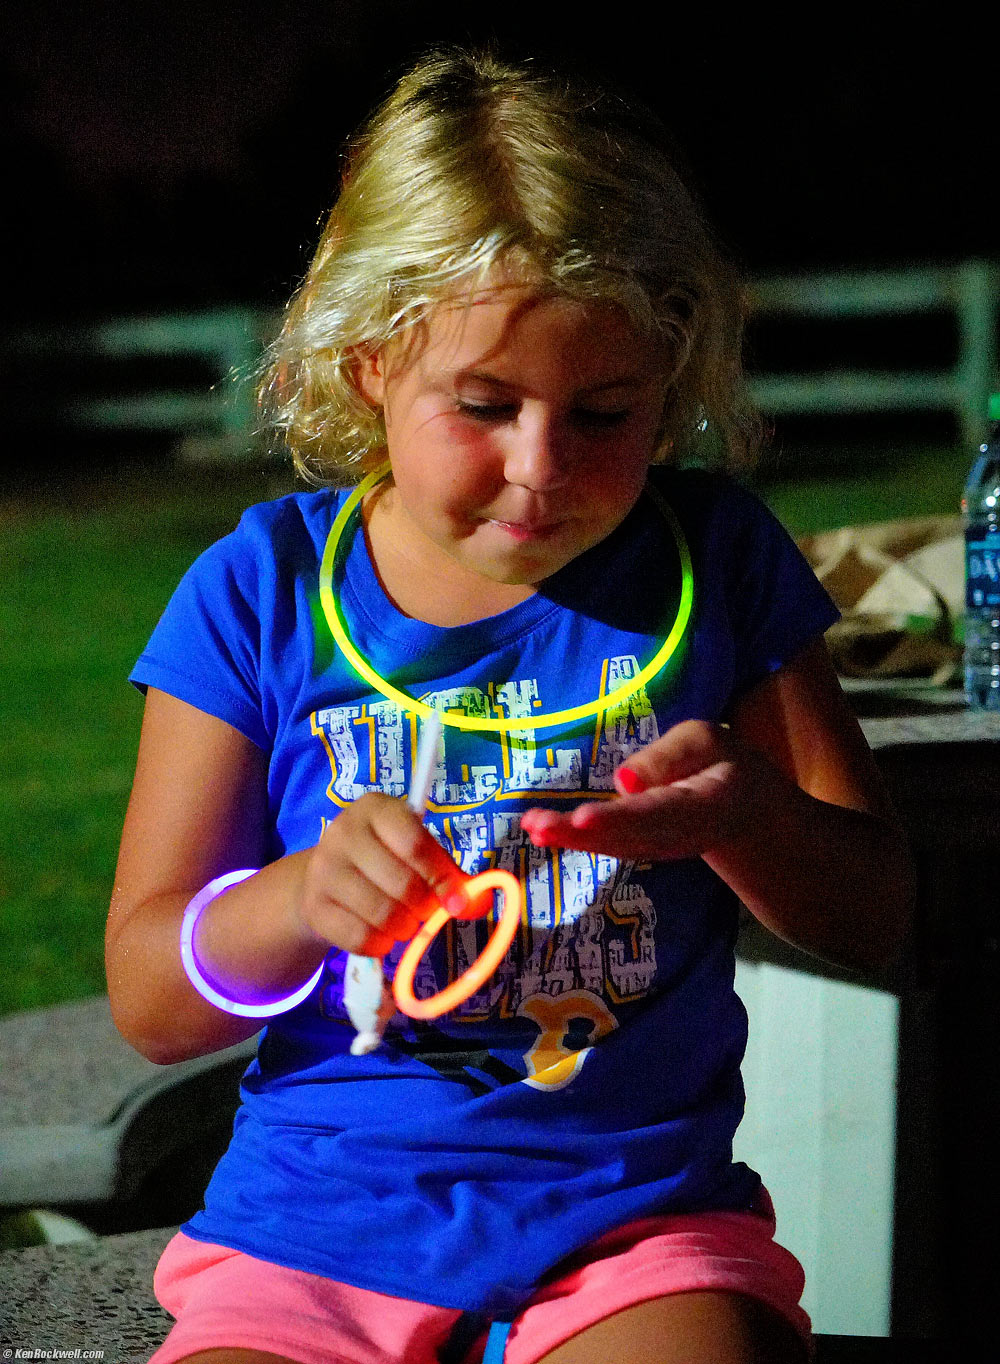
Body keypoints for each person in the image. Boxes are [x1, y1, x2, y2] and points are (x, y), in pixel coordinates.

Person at [106, 47, 914, 1364]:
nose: (542, 471)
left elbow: (877, 920)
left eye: (607, 412)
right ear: (369, 363)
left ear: (674, 367)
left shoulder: (719, 566)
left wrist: (748, 815)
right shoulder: (254, 594)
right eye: (483, 406)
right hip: (311, 1236)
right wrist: (299, 899)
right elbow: (151, 1000)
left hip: (634, 1234)